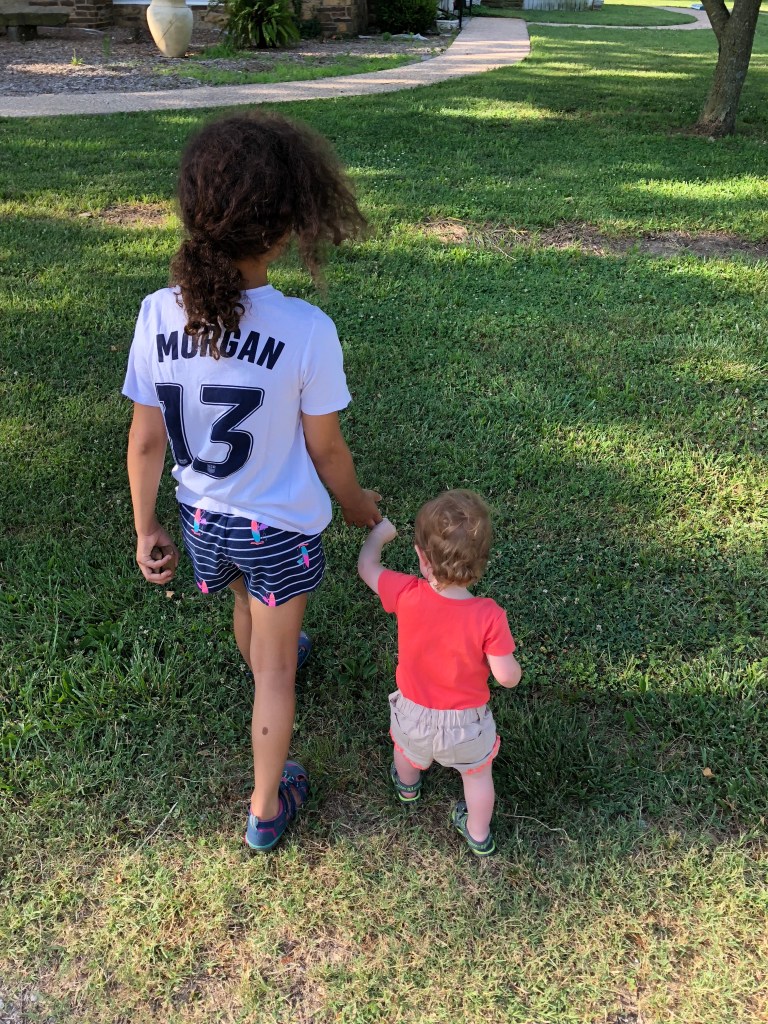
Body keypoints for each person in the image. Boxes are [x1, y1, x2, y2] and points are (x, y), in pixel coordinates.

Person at [124, 112, 382, 852]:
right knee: (276, 676)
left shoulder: (155, 313)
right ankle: (267, 806)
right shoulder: (305, 329)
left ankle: (270, 648)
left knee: (244, 599)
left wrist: (147, 529)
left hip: (205, 523)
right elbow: (327, 452)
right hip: (279, 531)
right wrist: (360, 505)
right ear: (283, 229)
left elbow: (146, 441)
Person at [358, 490, 521, 856]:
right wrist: (513, 671)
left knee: (405, 750)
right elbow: (507, 676)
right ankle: (478, 834)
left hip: (413, 715)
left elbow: (367, 568)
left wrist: (379, 535)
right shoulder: (489, 615)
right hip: (467, 726)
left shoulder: (405, 593)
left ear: (421, 559)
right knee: (477, 776)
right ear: (480, 564)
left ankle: (408, 784)